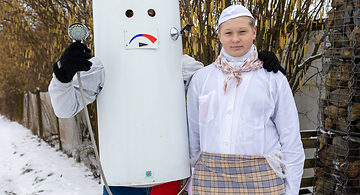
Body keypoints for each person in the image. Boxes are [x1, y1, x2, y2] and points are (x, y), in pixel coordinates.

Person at [48, 27, 284, 195]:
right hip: (121, 179)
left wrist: (256, 68)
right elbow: (65, 108)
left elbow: (224, 91)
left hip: (170, 178)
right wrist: (63, 73)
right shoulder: (103, 66)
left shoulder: (181, 65)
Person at [186, 5, 305, 195]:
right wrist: (193, 179)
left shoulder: (273, 79)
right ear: (219, 35)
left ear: (254, 32)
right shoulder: (201, 79)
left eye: (242, 31)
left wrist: (291, 191)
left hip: (262, 179)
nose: (235, 39)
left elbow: (291, 140)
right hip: (210, 179)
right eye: (228, 33)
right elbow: (193, 135)